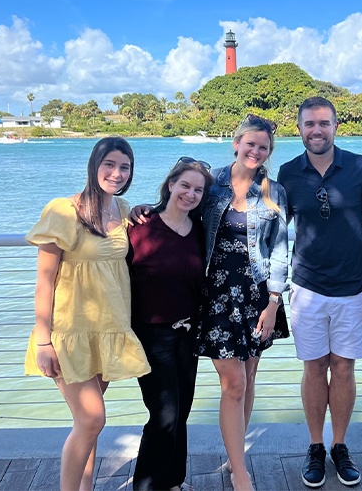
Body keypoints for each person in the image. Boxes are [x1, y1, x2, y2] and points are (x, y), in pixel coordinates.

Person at [24, 137, 150, 491]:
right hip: (68, 333)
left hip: (107, 330)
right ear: (94, 165)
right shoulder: (63, 210)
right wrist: (44, 341)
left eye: (124, 167)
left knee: (86, 424)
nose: (117, 173)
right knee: (93, 418)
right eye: (109, 164)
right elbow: (44, 282)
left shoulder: (122, 210)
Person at [277, 96, 362, 488]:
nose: (317, 130)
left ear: (336, 126)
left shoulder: (359, 167)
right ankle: (314, 446)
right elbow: (271, 228)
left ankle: (339, 445)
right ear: (300, 128)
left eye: (324, 123)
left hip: (355, 288)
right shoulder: (288, 173)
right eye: (309, 124)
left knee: (343, 367)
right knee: (313, 367)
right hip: (306, 287)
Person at [198, 114, 289, 491]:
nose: (256, 151)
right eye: (250, 143)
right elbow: (174, 207)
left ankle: (235, 455)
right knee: (232, 382)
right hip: (215, 294)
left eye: (263, 147)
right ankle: (240, 472)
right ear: (236, 143)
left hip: (257, 295)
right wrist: (140, 213)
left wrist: (273, 303)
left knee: (249, 376)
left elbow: (281, 248)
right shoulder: (209, 182)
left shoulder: (274, 190)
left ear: (269, 152)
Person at [126, 157, 213, 491]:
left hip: (188, 333)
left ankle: (173, 481)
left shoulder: (201, 230)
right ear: (171, 185)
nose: (190, 194)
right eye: (185, 186)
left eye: (198, 190)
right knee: (164, 415)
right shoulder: (141, 225)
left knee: (183, 410)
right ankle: (147, 486)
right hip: (151, 333)